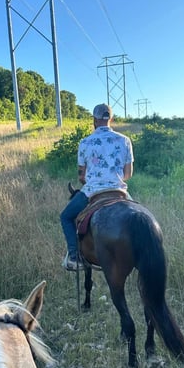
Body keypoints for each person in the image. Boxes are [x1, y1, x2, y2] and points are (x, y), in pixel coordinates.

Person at [60, 103, 134, 271]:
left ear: (94, 119)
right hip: (119, 191)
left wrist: (94, 180)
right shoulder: (125, 140)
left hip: (92, 191)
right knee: (139, 214)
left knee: (65, 217)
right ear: (111, 119)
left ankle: (74, 256)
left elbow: (81, 176)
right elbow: (128, 174)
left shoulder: (85, 142)